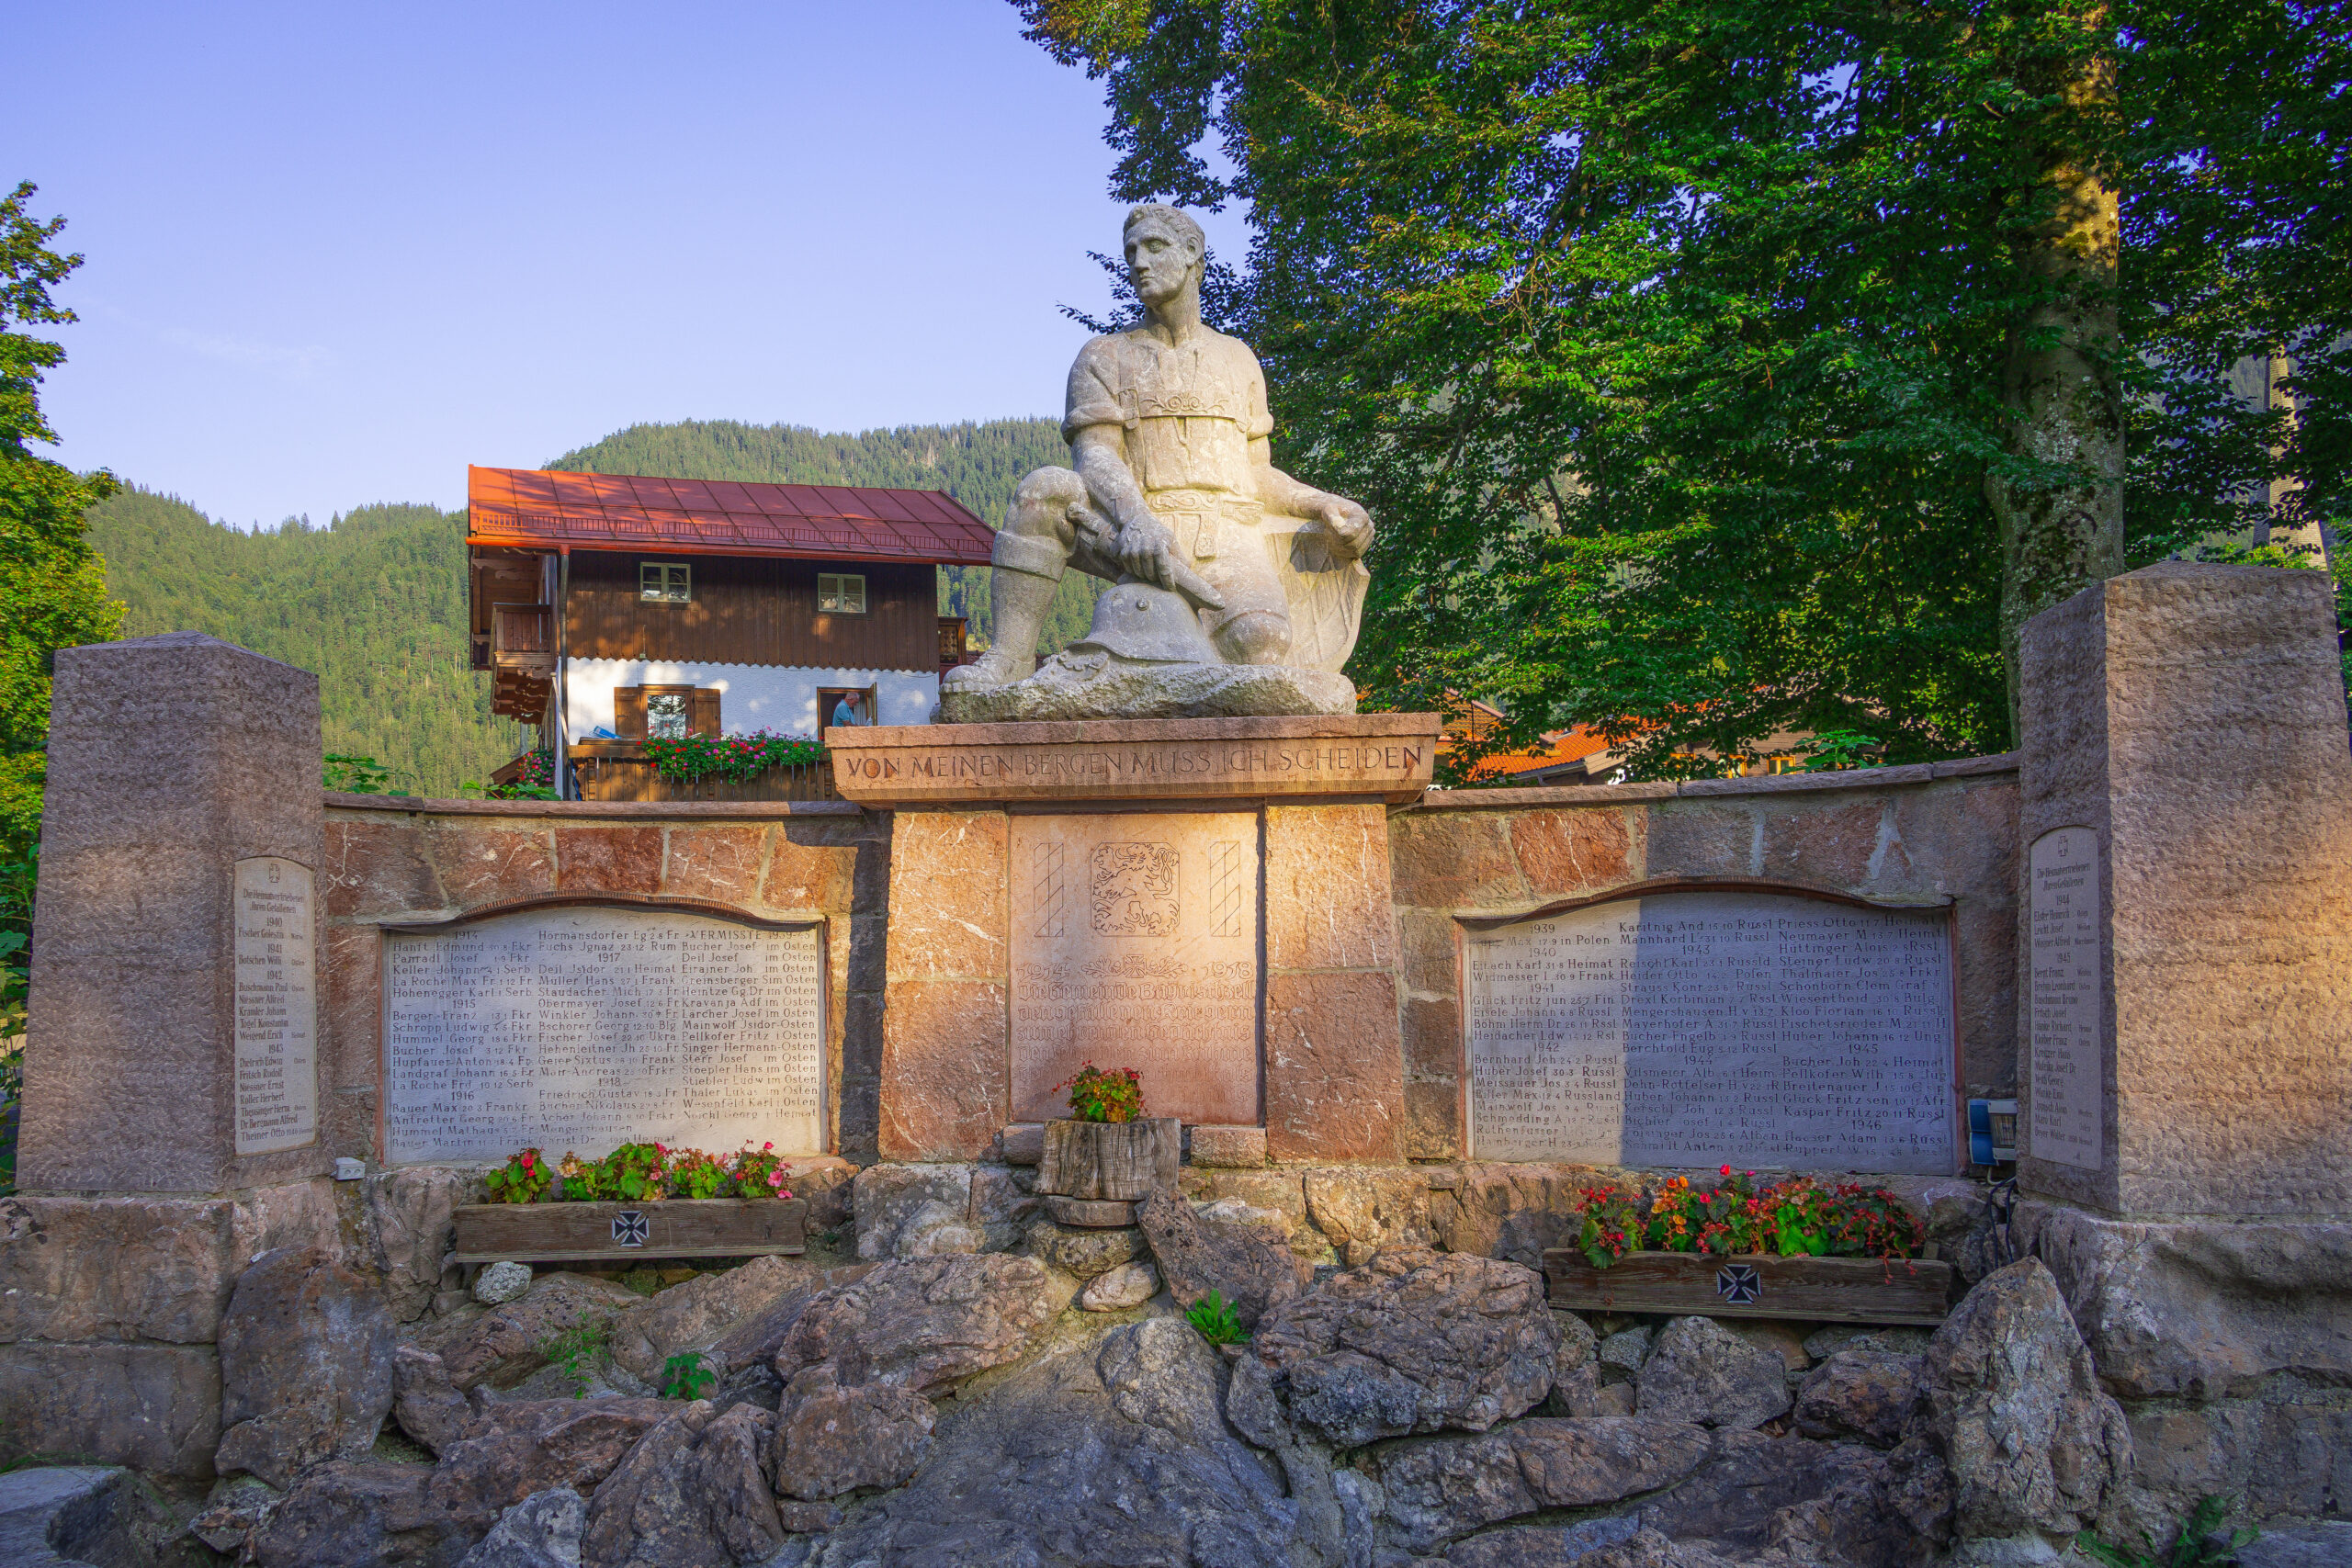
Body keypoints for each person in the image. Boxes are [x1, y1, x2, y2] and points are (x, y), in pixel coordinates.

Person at [944, 204, 1374, 693]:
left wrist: (1323, 504)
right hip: (1132, 528)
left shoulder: (1238, 360)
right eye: (1131, 252)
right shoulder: (1103, 356)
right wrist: (1137, 519)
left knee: (1261, 642)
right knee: (1044, 491)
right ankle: (1009, 658)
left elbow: (1256, 472)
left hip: (1230, 536)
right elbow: (1096, 456)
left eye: (1154, 247)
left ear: (1192, 254)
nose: (1139, 262)